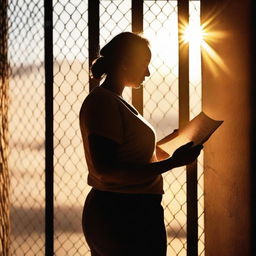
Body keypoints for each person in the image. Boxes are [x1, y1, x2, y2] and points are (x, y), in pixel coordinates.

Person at [79, 32, 203, 256]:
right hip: (123, 215)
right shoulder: (103, 103)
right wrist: (173, 162)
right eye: (144, 64)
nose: (147, 72)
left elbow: (135, 157)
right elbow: (106, 170)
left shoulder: (116, 102)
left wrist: (175, 142)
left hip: (129, 212)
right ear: (125, 63)